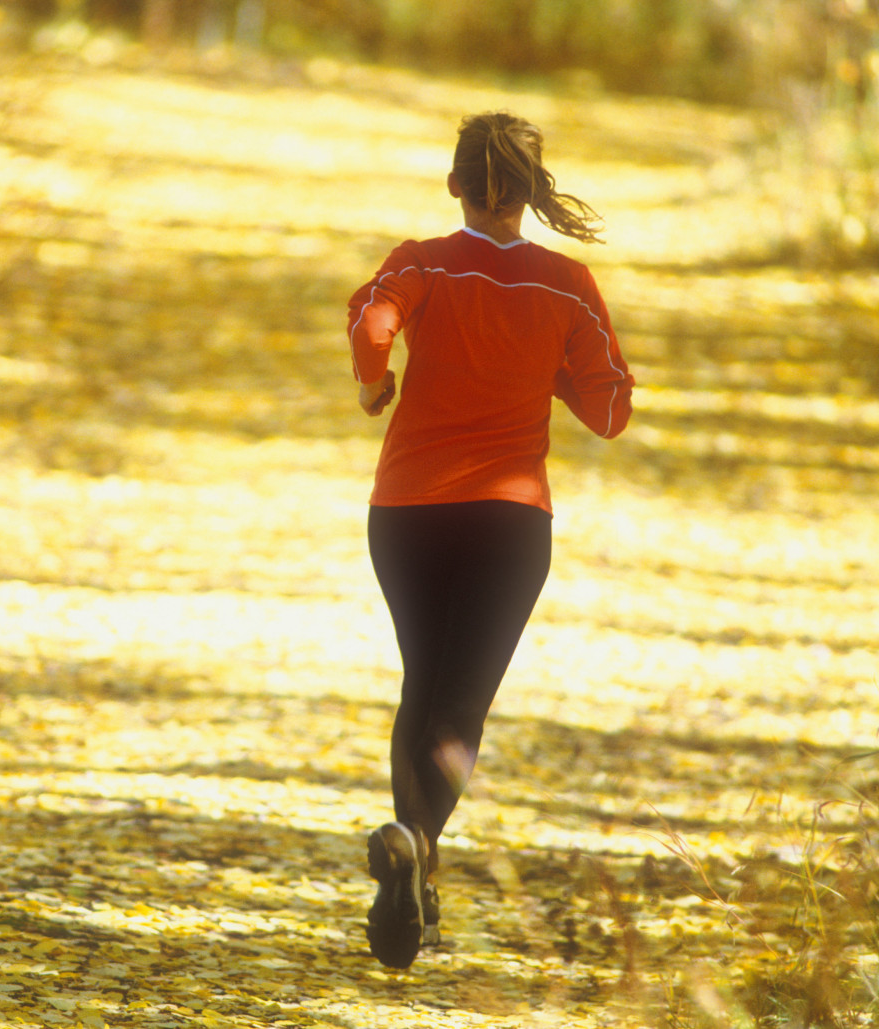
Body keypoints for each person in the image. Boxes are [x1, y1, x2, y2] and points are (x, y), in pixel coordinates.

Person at [347, 111, 634, 969]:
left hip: (407, 513)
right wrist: (540, 366)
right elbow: (610, 409)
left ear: (455, 185)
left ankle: (414, 871)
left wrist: (377, 386)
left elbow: (371, 325)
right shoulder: (566, 284)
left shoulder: (420, 261)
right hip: (509, 522)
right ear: (532, 192)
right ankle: (417, 849)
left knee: (421, 683)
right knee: (458, 708)